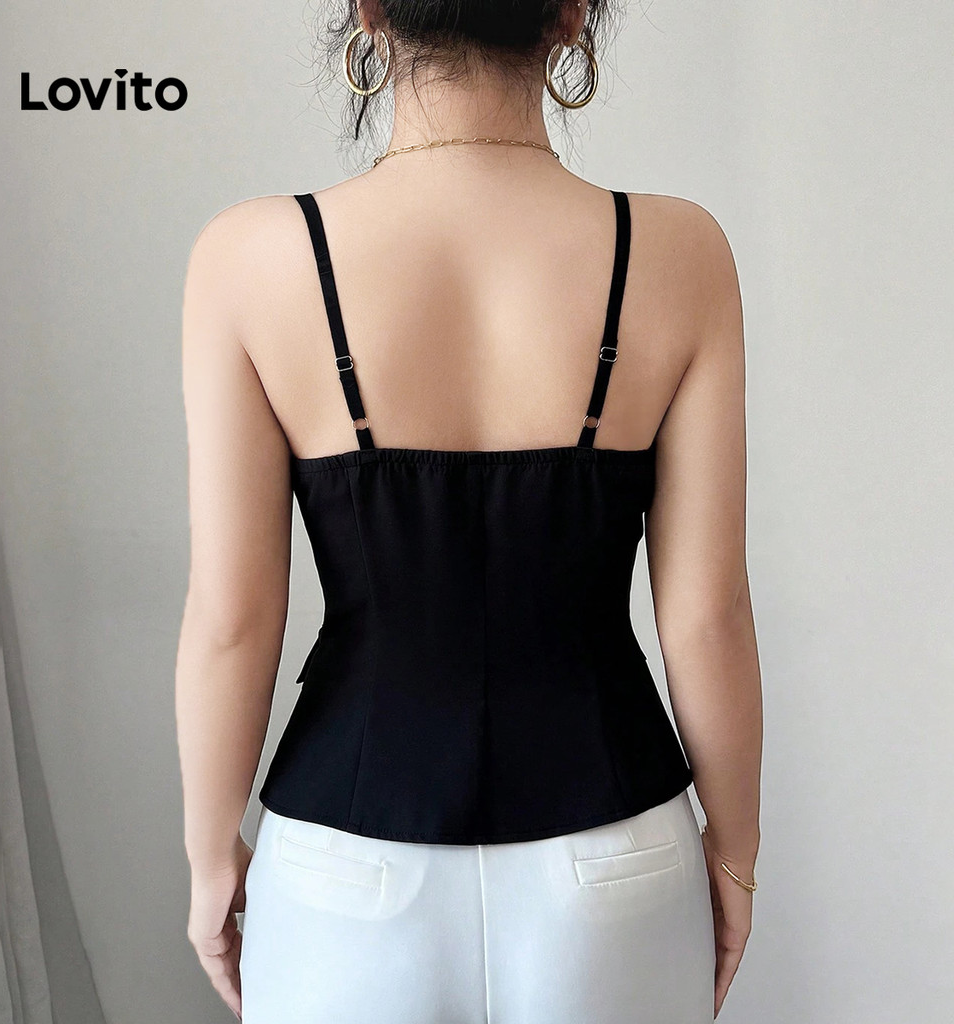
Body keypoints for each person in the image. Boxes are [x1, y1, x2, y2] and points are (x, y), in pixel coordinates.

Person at [175, 1, 763, 1021]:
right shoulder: (678, 251)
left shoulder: (253, 255)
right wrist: (737, 853)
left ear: (367, 12)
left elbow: (234, 619)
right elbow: (706, 617)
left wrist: (207, 855)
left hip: (343, 869)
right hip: (616, 858)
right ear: (573, 15)